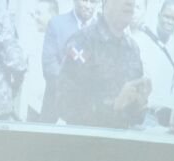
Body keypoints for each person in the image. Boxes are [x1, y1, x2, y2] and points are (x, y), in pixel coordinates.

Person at [56, 0, 150, 129]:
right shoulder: (83, 42)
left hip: (122, 139)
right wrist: (114, 106)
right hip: (88, 138)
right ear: (106, 3)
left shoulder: (132, 48)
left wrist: (139, 106)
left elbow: (134, 116)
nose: (130, 2)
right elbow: (64, 104)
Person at [40, 0, 99, 123]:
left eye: (93, 2)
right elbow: (49, 64)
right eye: (85, 1)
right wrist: (71, 91)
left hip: (89, 109)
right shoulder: (56, 24)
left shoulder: (101, 30)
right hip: (56, 102)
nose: (88, 6)